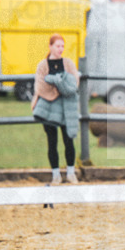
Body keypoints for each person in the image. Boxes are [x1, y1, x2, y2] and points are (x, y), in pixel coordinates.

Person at [32, 34, 80, 184]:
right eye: (58, 46)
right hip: (48, 108)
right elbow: (40, 86)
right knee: (52, 141)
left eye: (62, 46)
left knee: (68, 140)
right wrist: (56, 89)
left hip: (66, 108)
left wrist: (59, 85)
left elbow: (74, 82)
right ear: (50, 46)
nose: (61, 49)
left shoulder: (69, 63)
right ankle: (56, 175)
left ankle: (71, 173)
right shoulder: (43, 65)